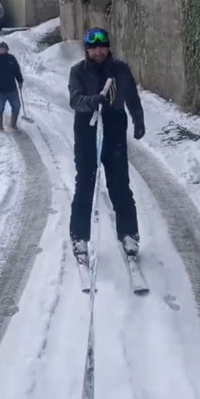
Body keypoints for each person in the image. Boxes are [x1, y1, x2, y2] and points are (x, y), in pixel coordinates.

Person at [68, 27, 145, 262]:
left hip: (114, 128)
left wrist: (138, 120)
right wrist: (93, 101)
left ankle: (129, 233)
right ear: (87, 50)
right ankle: (80, 237)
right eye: (93, 49)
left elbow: (131, 96)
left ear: (108, 48)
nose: (99, 52)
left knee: (119, 183)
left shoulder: (120, 69)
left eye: (102, 47)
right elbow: (75, 99)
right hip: (87, 129)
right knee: (85, 183)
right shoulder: (78, 71)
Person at [0, 42, 24, 132]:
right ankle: (0, 127)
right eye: (1, 49)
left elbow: (17, 70)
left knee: (16, 106)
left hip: (12, 89)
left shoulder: (11, 59)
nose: (3, 50)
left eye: (5, 49)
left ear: (7, 49)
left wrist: (20, 81)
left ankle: (13, 124)